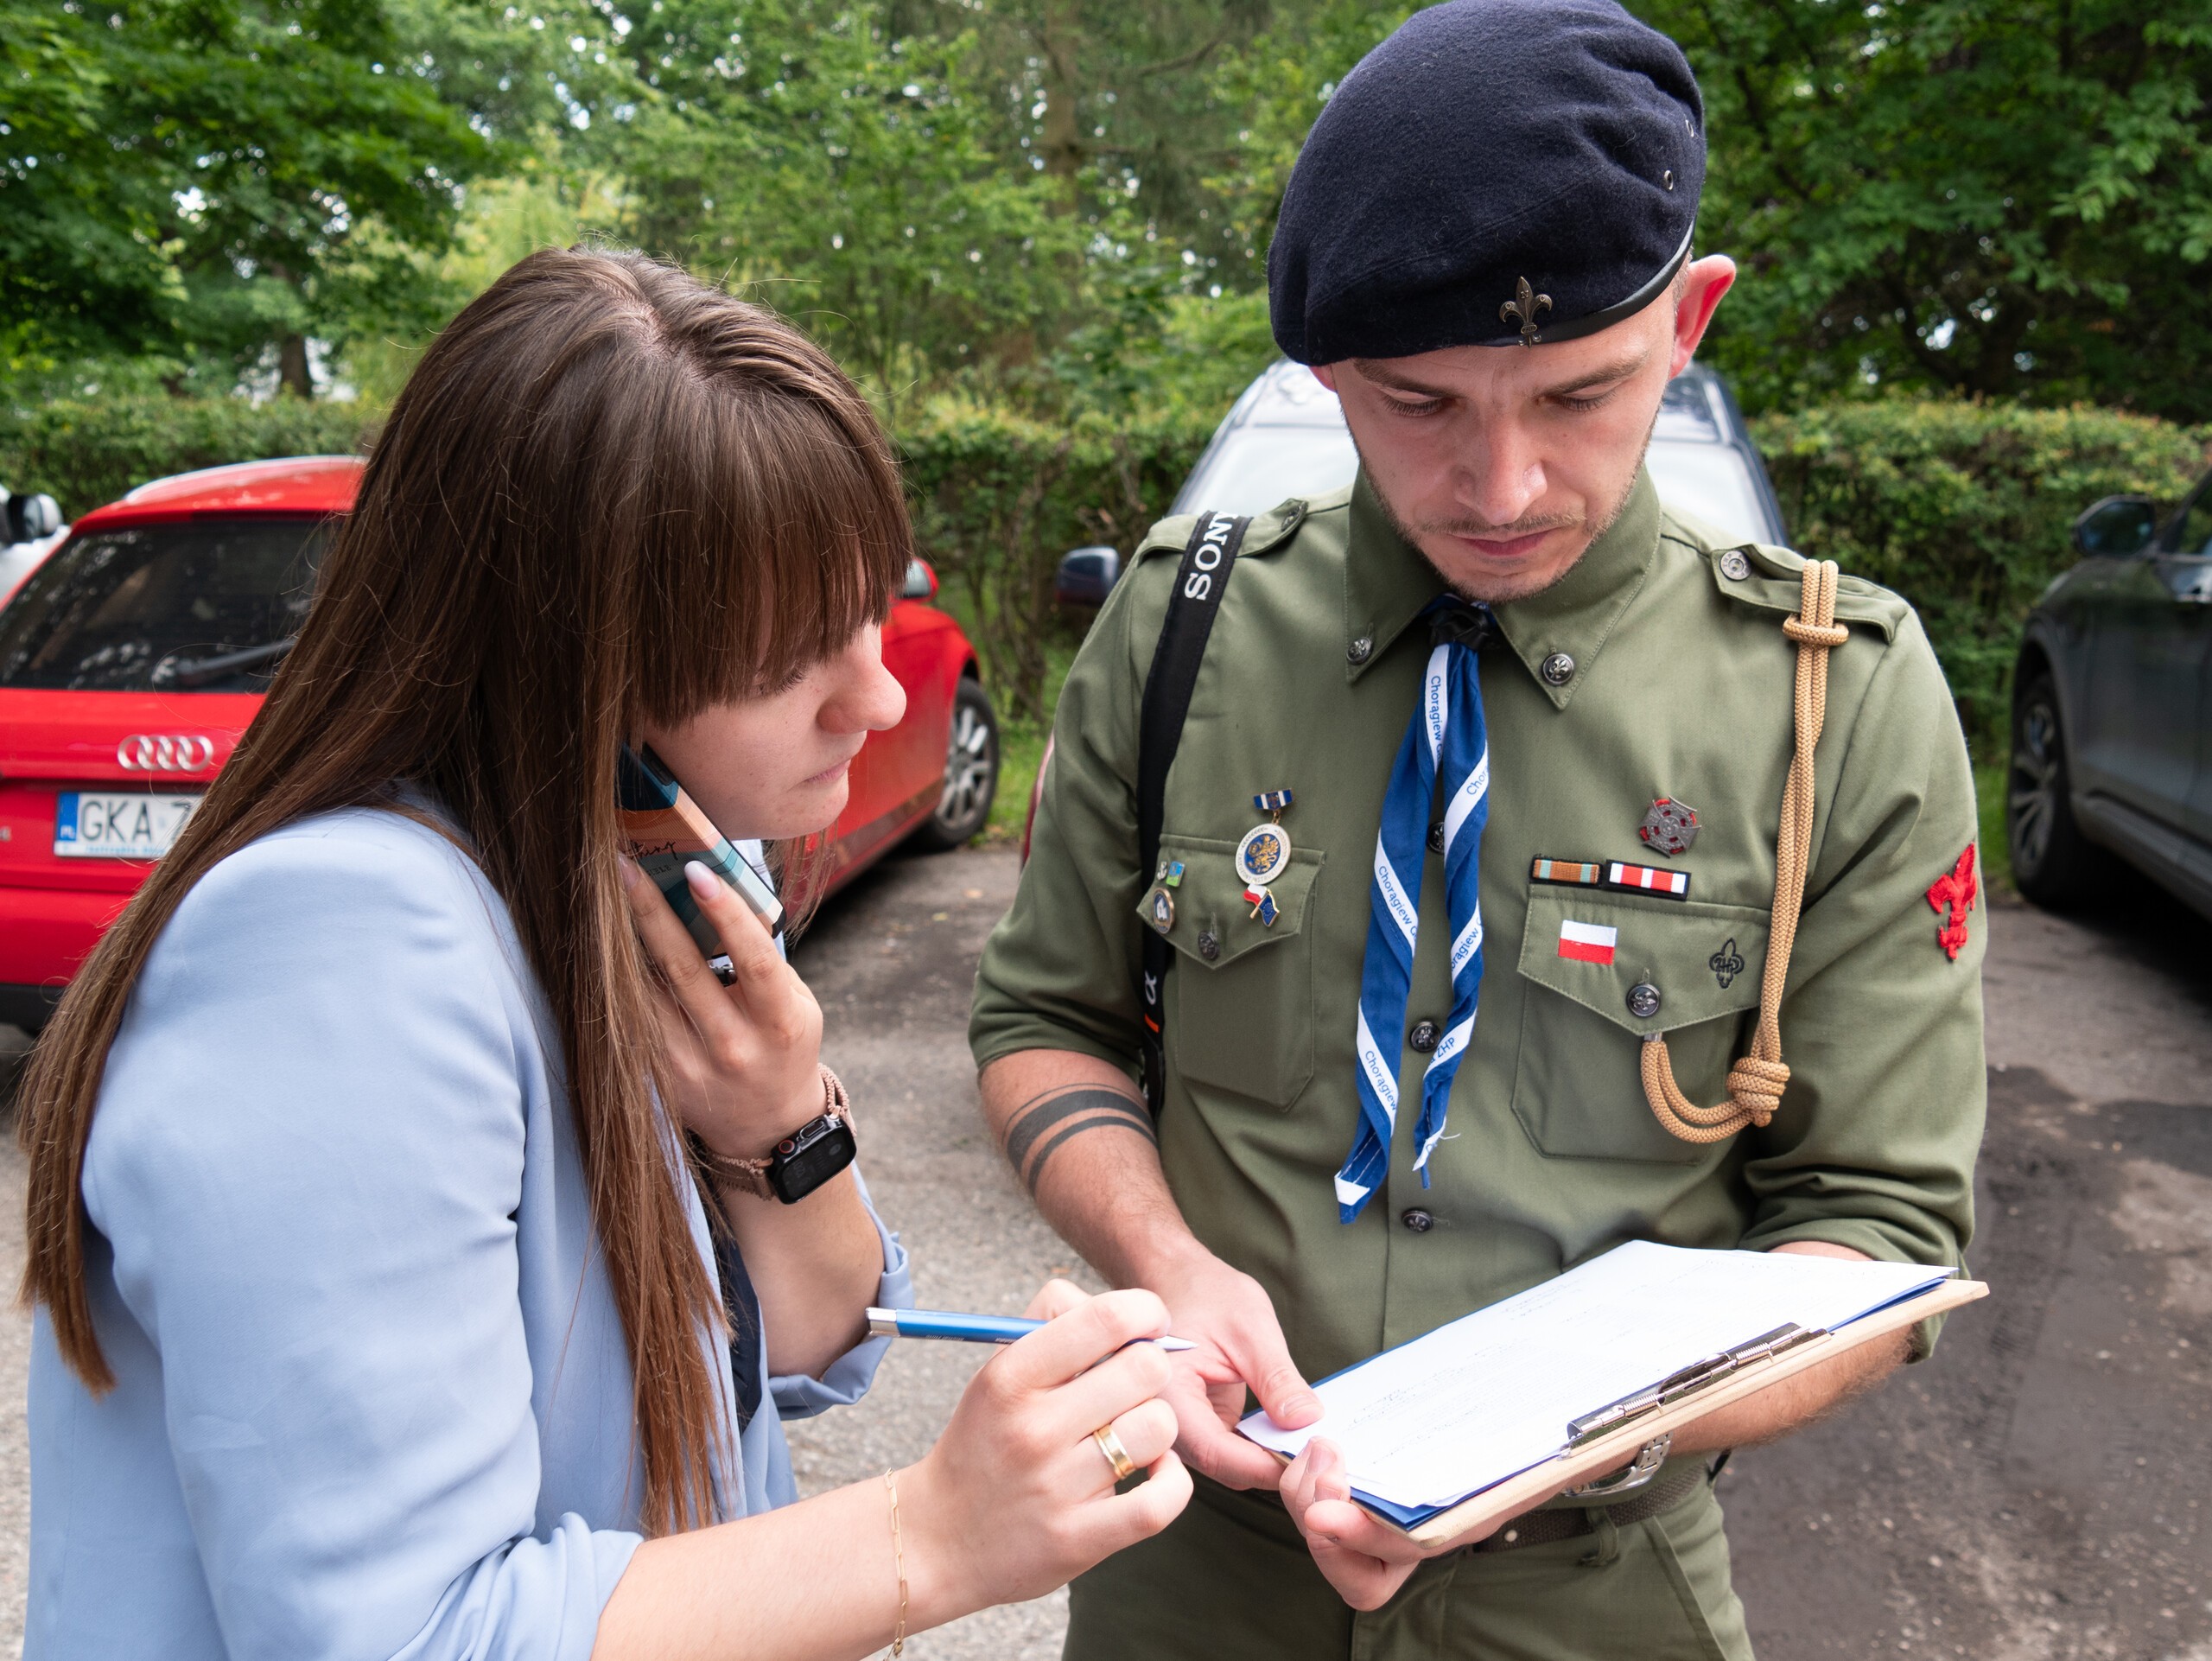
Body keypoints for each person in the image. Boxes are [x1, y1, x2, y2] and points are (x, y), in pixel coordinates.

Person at [968, 3, 1986, 1657]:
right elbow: (1043, 1022)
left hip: (1598, 1589)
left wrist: (1566, 1443)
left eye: (1580, 394)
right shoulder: (1183, 628)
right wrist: (1164, 1255)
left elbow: (1878, 1227)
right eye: (1419, 402)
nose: (1503, 485)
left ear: (1690, 321)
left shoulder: (1837, 699)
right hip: (1194, 1573)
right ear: (1323, 369)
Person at [18, 247, 1190, 1661]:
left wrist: (784, 1128)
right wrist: (932, 1533)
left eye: (870, 614)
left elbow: (813, 1345)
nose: (879, 697)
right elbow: (415, 1636)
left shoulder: (607, 882)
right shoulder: (344, 946)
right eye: (790, 655)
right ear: (573, 661)